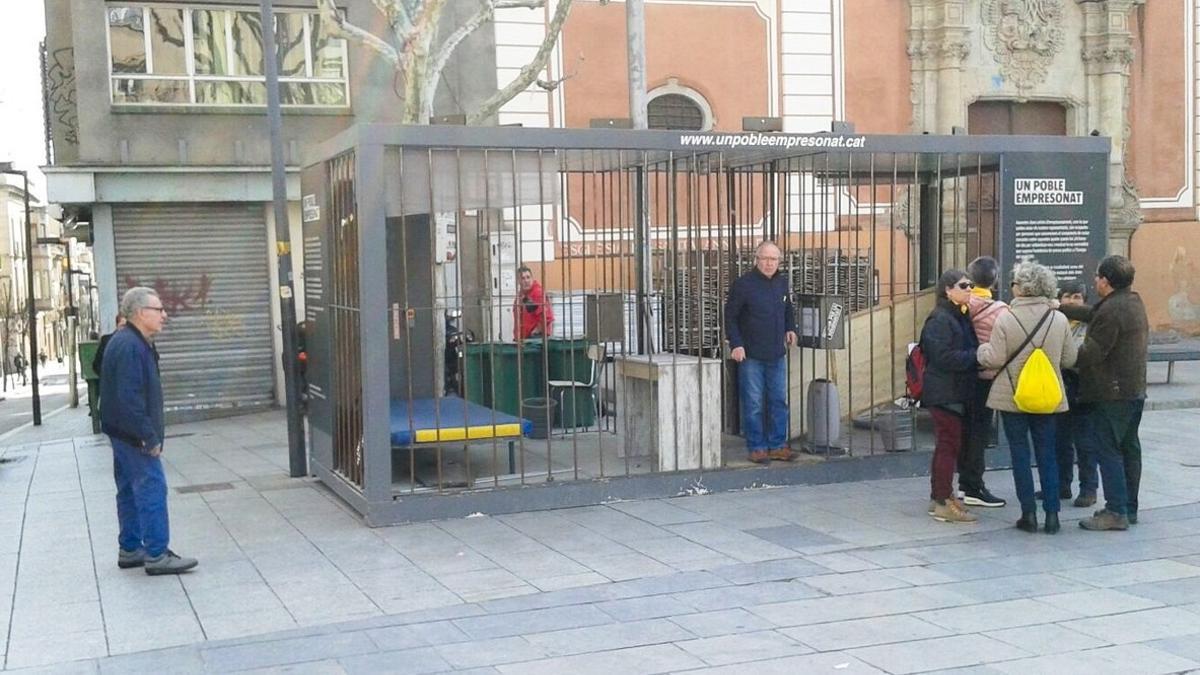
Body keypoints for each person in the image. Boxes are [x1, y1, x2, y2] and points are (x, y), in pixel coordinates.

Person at [100, 287, 198, 575]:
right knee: (152, 487)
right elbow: (130, 397)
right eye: (159, 310)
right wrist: (149, 436)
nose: (164, 315)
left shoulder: (129, 340)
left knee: (129, 490)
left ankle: (130, 548)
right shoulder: (131, 345)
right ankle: (156, 554)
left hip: (121, 431)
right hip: (134, 434)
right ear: (142, 313)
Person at [977, 262, 1077, 534]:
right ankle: (1053, 516)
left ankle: (1028, 515)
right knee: (1048, 454)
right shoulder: (1058, 319)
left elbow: (994, 358)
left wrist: (981, 351)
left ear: (1022, 288)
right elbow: (1070, 359)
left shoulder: (1006, 319)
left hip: (1013, 397)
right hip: (1047, 397)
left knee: (1020, 455)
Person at [1060, 255, 1149, 531]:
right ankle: (1128, 507)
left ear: (1106, 281)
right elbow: (1094, 313)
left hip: (1111, 392)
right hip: (1133, 390)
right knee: (1129, 448)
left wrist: (1062, 352)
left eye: (1098, 277)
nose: (1095, 281)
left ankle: (1115, 511)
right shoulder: (1130, 301)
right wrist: (1060, 308)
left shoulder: (1112, 311)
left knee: (1109, 450)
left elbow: (1091, 353)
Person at [725, 241, 797, 464]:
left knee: (778, 400)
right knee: (754, 402)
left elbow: (788, 309)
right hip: (751, 354)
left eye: (773, 259)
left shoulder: (782, 283)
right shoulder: (743, 285)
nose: (769, 263)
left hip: (776, 352)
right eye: (765, 258)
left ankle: (777, 445)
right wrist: (736, 344)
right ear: (756, 260)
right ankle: (757, 447)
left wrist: (790, 328)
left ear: (779, 261)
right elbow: (730, 317)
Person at [919, 269, 980, 523]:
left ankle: (942, 495)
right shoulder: (941, 319)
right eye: (964, 285)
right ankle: (942, 500)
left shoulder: (959, 315)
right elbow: (942, 357)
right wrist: (977, 356)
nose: (969, 290)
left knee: (950, 445)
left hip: (955, 390)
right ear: (947, 290)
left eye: (971, 285)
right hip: (944, 392)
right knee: (947, 445)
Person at [960, 256, 1008, 509]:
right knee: (979, 432)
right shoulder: (1001, 310)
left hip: (961, 375)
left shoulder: (962, 304)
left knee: (963, 429)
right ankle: (973, 485)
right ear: (995, 280)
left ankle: (963, 483)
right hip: (987, 377)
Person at [1055, 280, 1097, 507]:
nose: (1071, 301)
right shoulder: (1056, 323)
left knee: (1085, 442)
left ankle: (1088, 489)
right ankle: (1062, 485)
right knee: (1060, 440)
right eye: (1067, 296)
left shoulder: (1091, 322)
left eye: (1077, 297)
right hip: (1060, 386)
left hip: (1083, 387)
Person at [513, 266, 554, 341]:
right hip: (524, 339)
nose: (526, 281)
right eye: (523, 278)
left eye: (528, 277)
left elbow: (547, 317)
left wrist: (535, 332)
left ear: (532, 278)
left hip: (535, 340)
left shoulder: (537, 293)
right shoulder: (521, 296)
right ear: (518, 281)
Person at [92, 314, 127, 383]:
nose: (125, 329)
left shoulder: (136, 342)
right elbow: (97, 365)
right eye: (122, 326)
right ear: (117, 326)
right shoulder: (107, 341)